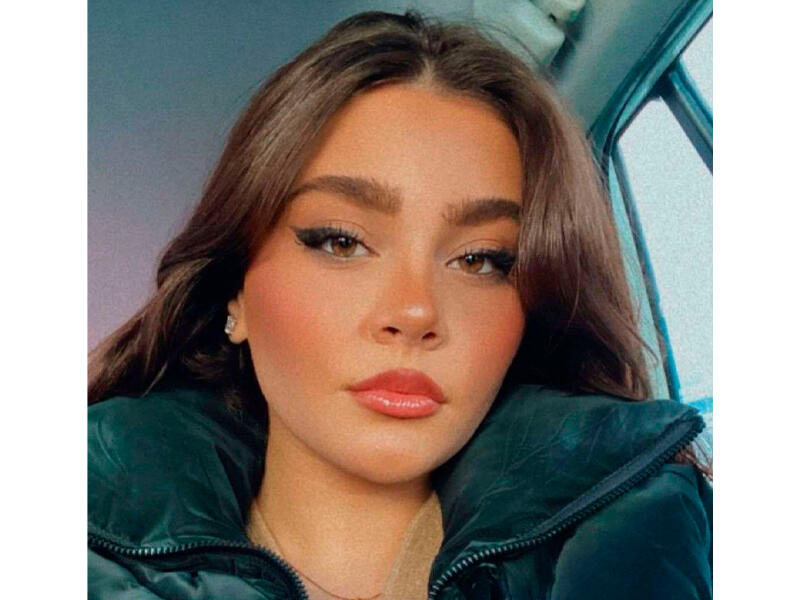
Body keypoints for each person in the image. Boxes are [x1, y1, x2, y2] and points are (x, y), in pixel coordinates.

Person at [88, 10, 712, 600]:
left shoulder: (642, 538)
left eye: (481, 259)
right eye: (342, 242)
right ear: (235, 290)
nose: (415, 312)